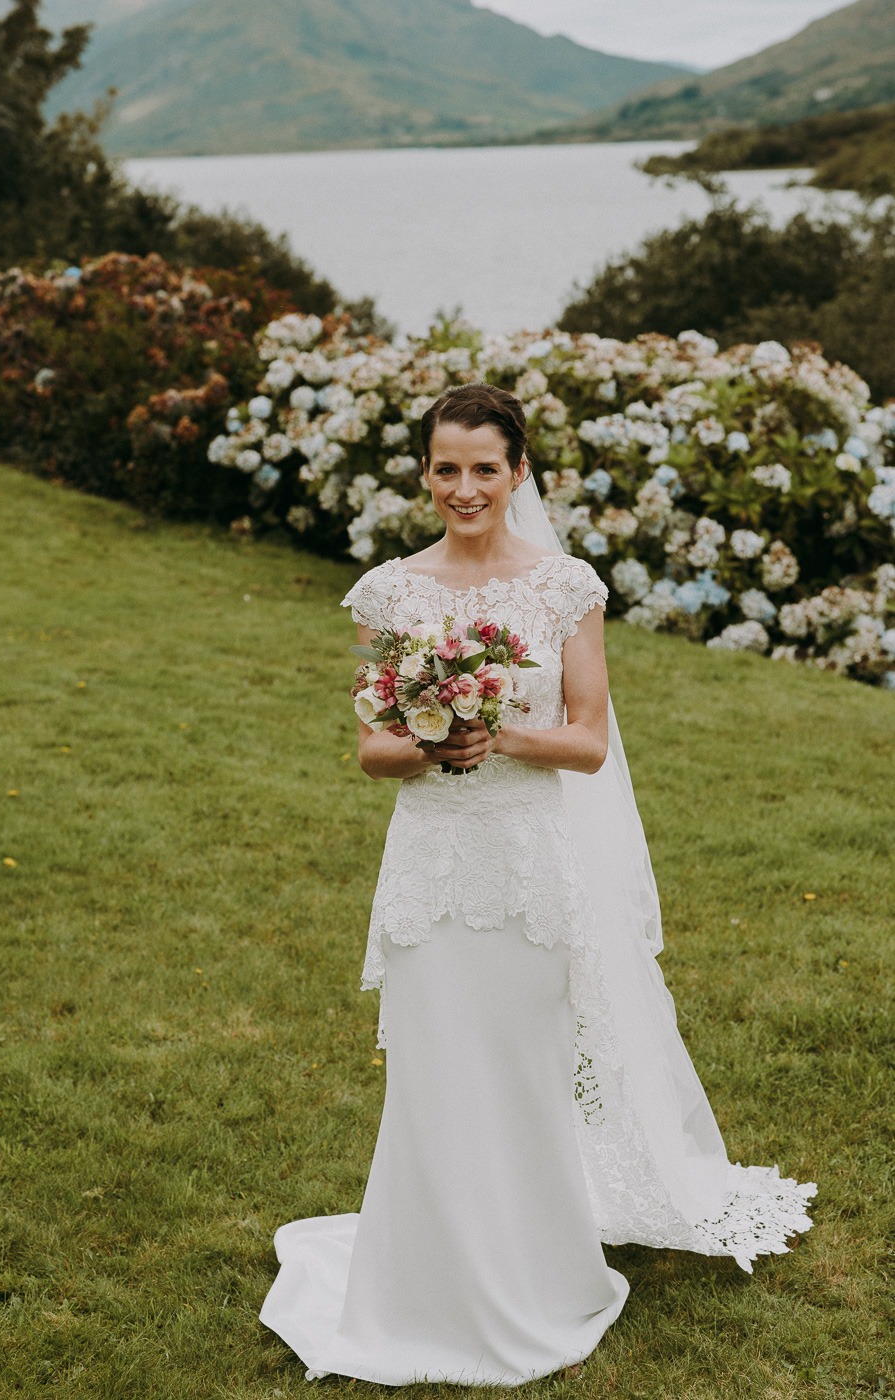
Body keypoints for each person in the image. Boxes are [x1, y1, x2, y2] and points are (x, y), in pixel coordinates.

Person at [259, 383, 816, 1387]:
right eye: (444, 468)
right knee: (433, 1072)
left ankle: (533, 1272)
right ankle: (417, 1283)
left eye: (483, 467)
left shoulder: (562, 587)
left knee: (519, 1070)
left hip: (526, 863)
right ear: (423, 473)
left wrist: (496, 731)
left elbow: (588, 739)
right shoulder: (394, 592)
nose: (462, 487)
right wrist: (428, 740)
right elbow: (369, 750)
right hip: (433, 865)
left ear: (517, 471)